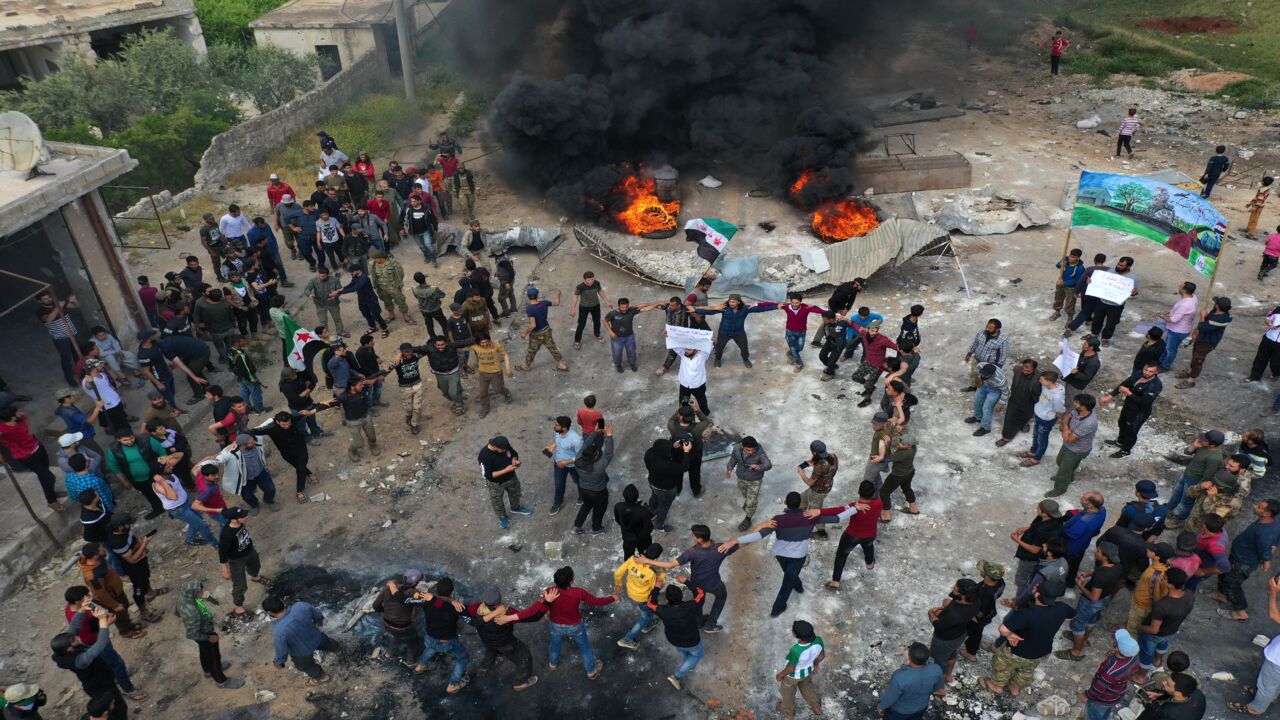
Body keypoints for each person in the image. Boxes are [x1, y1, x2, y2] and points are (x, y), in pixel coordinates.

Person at [719, 492, 853, 617]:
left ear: (785, 503)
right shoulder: (810, 517)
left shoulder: (778, 519)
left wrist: (736, 540)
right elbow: (838, 518)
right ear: (800, 504)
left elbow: (759, 535)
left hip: (781, 554)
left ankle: (797, 587)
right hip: (798, 556)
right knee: (787, 582)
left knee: (789, 575)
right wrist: (855, 508)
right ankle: (777, 608)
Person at [499, 566, 615, 679]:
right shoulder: (578, 592)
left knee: (555, 644)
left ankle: (553, 664)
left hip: (556, 626)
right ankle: (591, 671)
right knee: (585, 647)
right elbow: (596, 601)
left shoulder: (549, 592)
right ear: (571, 580)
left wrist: (509, 618)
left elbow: (532, 610)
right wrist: (613, 598)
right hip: (575, 626)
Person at [979, 585, 1075, 697]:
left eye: (1036, 588)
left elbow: (1003, 629)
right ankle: (1015, 688)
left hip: (1017, 651)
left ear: (1038, 594)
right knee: (1026, 670)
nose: (1034, 588)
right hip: (1041, 652)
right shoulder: (1062, 607)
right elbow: (1072, 616)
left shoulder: (1027, 613)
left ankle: (997, 686)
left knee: (1002, 665)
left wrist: (1010, 635)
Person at [50, 609, 128, 720]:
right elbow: (100, 644)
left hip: (97, 682)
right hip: (101, 686)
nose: (78, 637)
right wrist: (103, 622)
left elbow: (74, 627)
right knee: (118, 707)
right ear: (69, 649)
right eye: (74, 640)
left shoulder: (63, 652)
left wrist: (82, 609)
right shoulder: (80, 661)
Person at [1059, 541, 1126, 661]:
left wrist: (1080, 586)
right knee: (1091, 620)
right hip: (1104, 599)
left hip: (1091, 603)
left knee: (1077, 625)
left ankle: (1076, 652)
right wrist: (1089, 573)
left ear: (1105, 556)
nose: (1096, 551)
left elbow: (1094, 597)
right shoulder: (1118, 566)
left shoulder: (1101, 574)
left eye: (1099, 551)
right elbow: (1111, 579)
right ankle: (1083, 640)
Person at [465, 586, 539, 691]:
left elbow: (467, 616)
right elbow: (529, 617)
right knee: (524, 656)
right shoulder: (508, 612)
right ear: (498, 601)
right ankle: (521, 682)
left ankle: (486, 666)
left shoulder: (475, 608)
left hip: (486, 639)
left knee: (491, 650)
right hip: (505, 643)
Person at [176, 580, 244, 689]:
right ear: (193, 593)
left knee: (204, 651)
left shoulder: (184, 598)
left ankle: (207, 670)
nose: (202, 592)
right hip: (203, 633)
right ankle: (221, 680)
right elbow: (192, 634)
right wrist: (208, 637)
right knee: (214, 657)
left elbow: (177, 612)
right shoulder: (193, 612)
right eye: (199, 591)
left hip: (201, 632)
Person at [407, 578, 470, 694]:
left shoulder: (427, 601)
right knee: (463, 658)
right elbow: (470, 618)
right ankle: (454, 684)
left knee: (430, 649)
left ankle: (420, 666)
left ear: (437, 590)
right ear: (452, 591)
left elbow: (408, 600)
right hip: (447, 641)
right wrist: (453, 602)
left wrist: (421, 596)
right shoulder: (455, 607)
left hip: (431, 637)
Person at [1132, 568, 1194, 684]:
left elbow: (1154, 630)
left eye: (1164, 578)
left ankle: (1140, 677)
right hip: (1171, 631)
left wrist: (1139, 627)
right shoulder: (1189, 595)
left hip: (1154, 635)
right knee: (1162, 644)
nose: (1161, 579)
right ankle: (1157, 662)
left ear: (1170, 585)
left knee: (1146, 653)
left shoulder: (1162, 606)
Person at [264, 596, 340, 686]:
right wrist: (319, 621)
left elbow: (282, 651)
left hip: (302, 653)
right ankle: (340, 650)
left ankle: (323, 678)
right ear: (282, 602)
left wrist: (279, 662)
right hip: (317, 637)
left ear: (269, 612)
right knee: (330, 644)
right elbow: (318, 615)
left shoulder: (278, 631)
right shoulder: (300, 606)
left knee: (306, 666)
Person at [0, 407, 65, 510]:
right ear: (12, 417)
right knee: (49, 477)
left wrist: (30, 431)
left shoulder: (21, 417)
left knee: (44, 474)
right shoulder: (3, 430)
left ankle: (52, 493)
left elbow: (26, 417)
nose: (20, 413)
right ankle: (51, 501)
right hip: (27, 457)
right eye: (18, 412)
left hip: (38, 448)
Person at [648, 584, 706, 689]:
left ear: (666, 598)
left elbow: (650, 603)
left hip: (674, 639)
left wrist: (656, 588)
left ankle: (687, 663)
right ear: (682, 595)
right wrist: (687, 581)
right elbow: (701, 594)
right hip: (692, 640)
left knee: (683, 651)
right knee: (697, 655)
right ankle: (677, 676)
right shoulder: (691, 606)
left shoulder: (662, 610)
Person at [1099, 362, 1163, 458]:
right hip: (1128, 406)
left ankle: (1126, 450)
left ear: (1156, 372)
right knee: (1122, 423)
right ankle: (1120, 442)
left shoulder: (1155, 386)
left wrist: (1129, 393)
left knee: (1131, 431)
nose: (1146, 373)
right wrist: (1110, 396)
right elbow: (1124, 385)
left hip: (1139, 412)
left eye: (1150, 372)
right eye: (1145, 370)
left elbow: (1144, 403)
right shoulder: (1138, 374)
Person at [694, 295, 778, 368]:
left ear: (738, 302)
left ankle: (745, 359)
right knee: (719, 347)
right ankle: (718, 359)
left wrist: (776, 306)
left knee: (744, 347)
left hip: (739, 332)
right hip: (724, 332)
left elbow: (761, 309)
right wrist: (695, 310)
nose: (731, 303)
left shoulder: (745, 309)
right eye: (730, 302)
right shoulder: (724, 308)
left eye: (733, 302)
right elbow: (709, 311)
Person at [928, 579, 981, 691]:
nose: (952, 588)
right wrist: (945, 609)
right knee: (951, 655)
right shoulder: (975, 601)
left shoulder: (954, 615)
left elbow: (938, 626)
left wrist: (931, 613)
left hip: (944, 640)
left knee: (940, 662)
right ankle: (948, 676)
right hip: (959, 635)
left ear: (963, 595)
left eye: (955, 589)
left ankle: (939, 687)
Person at [1078, 629, 1141, 720]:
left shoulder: (1112, 671)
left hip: (1102, 699)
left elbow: (1099, 687)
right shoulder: (1134, 657)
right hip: (1116, 695)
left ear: (1118, 648)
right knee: (1105, 713)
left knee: (1094, 715)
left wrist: (1086, 695)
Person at [1009, 499, 1065, 600]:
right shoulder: (1055, 519)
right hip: (1038, 554)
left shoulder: (1043, 530)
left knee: (1023, 580)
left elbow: (1035, 550)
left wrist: (1017, 540)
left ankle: (1019, 599)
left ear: (1045, 513)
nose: (1036, 508)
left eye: (1039, 508)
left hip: (1030, 559)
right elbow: (1036, 527)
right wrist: (1027, 529)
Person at [613, 544, 666, 649]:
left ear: (645, 550)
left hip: (631, 592)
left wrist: (618, 583)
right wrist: (662, 574)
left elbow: (618, 573)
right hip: (643, 598)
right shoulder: (651, 573)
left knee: (646, 613)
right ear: (656, 558)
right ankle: (628, 638)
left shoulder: (633, 559)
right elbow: (654, 588)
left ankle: (648, 624)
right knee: (645, 616)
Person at [1046, 394, 1098, 498]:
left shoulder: (1089, 423)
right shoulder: (1079, 410)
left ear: (1083, 406)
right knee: (1060, 461)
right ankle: (1069, 476)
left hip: (1077, 450)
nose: (1074, 404)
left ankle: (1059, 490)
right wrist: (1066, 427)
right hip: (1069, 445)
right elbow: (1067, 417)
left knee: (1063, 471)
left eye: (1077, 402)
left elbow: (1069, 439)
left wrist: (1064, 428)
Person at [217, 507, 264, 620]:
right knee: (240, 584)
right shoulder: (227, 535)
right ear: (234, 520)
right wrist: (225, 569)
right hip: (236, 560)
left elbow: (223, 511)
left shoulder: (236, 520)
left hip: (249, 550)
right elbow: (222, 552)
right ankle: (238, 607)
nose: (246, 517)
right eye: (243, 516)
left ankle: (255, 577)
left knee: (256, 565)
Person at [1167, 430, 1224, 523]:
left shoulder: (1215, 458)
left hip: (1193, 481)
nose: (1201, 439)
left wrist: (1197, 488)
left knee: (1187, 501)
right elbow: (1187, 452)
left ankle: (1179, 519)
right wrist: (1194, 446)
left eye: (1205, 440)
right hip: (1186, 474)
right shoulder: (1203, 446)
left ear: (1212, 444)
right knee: (1176, 492)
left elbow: (1208, 476)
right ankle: (1169, 508)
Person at [214, 433, 279, 512]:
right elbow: (219, 458)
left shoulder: (256, 441)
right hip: (245, 479)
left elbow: (259, 429)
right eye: (251, 443)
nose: (254, 442)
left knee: (271, 489)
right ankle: (255, 505)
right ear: (243, 446)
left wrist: (235, 441)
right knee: (247, 496)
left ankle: (268, 500)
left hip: (260, 472)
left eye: (252, 440)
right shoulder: (231, 453)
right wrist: (209, 461)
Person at [879, 642, 944, 720]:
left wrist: (881, 707)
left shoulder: (900, 677)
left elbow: (890, 697)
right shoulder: (936, 669)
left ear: (909, 657)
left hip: (899, 711)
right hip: (921, 707)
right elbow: (937, 689)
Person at [479, 436, 532, 530]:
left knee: (515, 492)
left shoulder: (504, 446)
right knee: (497, 500)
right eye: (503, 450)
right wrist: (506, 470)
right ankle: (502, 517)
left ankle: (515, 508)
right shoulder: (484, 455)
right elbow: (488, 475)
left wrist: (514, 460)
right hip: (496, 483)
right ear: (494, 447)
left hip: (511, 477)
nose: (505, 451)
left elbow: (514, 453)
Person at [776, 620, 825, 719]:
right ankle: (817, 708)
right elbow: (821, 656)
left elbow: (791, 668)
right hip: (806, 672)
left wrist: (781, 674)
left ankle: (789, 712)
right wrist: (815, 665)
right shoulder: (818, 640)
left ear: (796, 635)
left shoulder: (796, 650)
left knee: (788, 694)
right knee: (807, 688)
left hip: (792, 677)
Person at [373, 571, 424, 662]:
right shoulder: (413, 594)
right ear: (415, 583)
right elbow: (426, 602)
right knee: (413, 644)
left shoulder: (386, 589)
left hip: (387, 624)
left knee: (396, 636)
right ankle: (410, 663)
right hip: (403, 627)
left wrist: (385, 611)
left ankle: (388, 654)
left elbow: (375, 606)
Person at [1018, 370, 1066, 467]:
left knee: (1042, 440)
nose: (1040, 381)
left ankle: (1036, 458)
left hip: (1046, 420)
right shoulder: (1045, 386)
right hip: (1039, 414)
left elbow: (1060, 409)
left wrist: (1057, 418)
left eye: (1042, 380)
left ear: (1049, 381)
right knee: (1036, 436)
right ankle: (1033, 452)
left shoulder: (1057, 396)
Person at [961, 560, 1006, 662]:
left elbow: (979, 611)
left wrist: (972, 617)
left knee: (968, 631)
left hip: (979, 617)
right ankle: (971, 651)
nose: (980, 571)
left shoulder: (983, 592)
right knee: (977, 632)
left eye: (983, 571)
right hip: (990, 612)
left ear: (987, 576)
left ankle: (967, 652)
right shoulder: (1000, 582)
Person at [573, 425, 614, 534]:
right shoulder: (598, 467)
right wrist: (608, 436)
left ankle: (577, 526)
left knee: (586, 506)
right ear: (595, 456)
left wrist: (594, 432)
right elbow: (608, 454)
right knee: (599, 510)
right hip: (598, 492)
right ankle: (596, 528)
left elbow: (585, 444)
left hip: (584, 489)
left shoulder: (578, 459)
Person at [645, 436, 690, 533]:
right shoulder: (667, 465)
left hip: (652, 482)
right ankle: (659, 525)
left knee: (654, 497)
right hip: (666, 489)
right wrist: (686, 452)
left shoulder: (649, 453)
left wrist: (673, 447)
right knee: (664, 507)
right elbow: (684, 467)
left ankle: (651, 512)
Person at [727, 436, 772, 532]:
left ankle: (748, 519)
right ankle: (748, 502)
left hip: (754, 480)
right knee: (745, 494)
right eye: (748, 450)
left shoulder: (760, 453)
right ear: (742, 446)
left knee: (751, 501)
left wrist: (759, 466)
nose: (750, 452)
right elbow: (733, 459)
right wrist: (729, 468)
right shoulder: (736, 448)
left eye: (752, 450)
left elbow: (768, 464)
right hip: (741, 477)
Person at [519, 288, 568, 371]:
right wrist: (558, 294)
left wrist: (525, 333)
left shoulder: (530, 309)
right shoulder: (544, 303)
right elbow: (557, 303)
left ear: (528, 296)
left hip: (537, 333)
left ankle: (526, 366)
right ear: (537, 295)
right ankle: (561, 364)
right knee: (552, 347)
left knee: (532, 350)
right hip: (546, 330)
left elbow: (533, 325)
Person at [668, 402, 710, 498]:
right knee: (695, 474)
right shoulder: (698, 428)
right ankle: (696, 491)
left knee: (677, 474)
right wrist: (697, 409)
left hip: (677, 455)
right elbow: (706, 421)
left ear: (681, 417)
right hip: (694, 455)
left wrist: (681, 408)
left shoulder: (672, 426)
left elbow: (672, 419)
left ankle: (677, 490)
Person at [332, 265, 387, 337]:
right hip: (362, 300)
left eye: (352, 272)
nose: (351, 273)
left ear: (358, 270)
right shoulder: (355, 277)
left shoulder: (364, 278)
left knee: (376, 315)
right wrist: (341, 289)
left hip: (371, 300)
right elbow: (351, 285)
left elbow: (355, 288)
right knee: (366, 314)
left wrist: (339, 293)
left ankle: (384, 329)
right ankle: (373, 327)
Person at [799, 439, 841, 532]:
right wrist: (812, 461)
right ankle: (796, 513)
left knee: (814, 512)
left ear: (813, 452)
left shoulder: (820, 466)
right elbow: (825, 463)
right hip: (827, 485)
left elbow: (810, 482)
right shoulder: (833, 456)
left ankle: (821, 532)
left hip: (818, 491)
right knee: (802, 498)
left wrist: (801, 472)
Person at [468, 334, 513, 419]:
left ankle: (507, 394)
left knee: (498, 389)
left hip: (496, 372)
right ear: (478, 343)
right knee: (482, 392)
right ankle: (485, 409)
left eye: (486, 342)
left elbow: (505, 354)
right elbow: (461, 346)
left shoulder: (495, 345)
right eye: (482, 343)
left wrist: (507, 368)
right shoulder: (475, 346)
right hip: (483, 373)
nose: (484, 344)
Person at [997, 359, 1042, 447]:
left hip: (1029, 400)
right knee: (1009, 417)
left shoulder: (1039, 376)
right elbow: (1017, 369)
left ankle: (1023, 424)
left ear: (1034, 369)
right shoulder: (1017, 369)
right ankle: (1006, 437)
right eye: (1024, 369)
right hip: (1015, 398)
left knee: (1025, 415)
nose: (1025, 372)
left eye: (1028, 371)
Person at [1063, 492, 1107, 578]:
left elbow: (1070, 534)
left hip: (1071, 548)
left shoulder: (1084, 521)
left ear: (1090, 505)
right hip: (1083, 544)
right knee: (1075, 565)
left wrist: (1061, 527)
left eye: (1084, 498)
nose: (1081, 497)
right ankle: (1071, 582)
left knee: (1066, 567)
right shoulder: (1102, 510)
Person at [779, 292, 827, 371]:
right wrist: (756, 305)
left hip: (801, 332)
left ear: (800, 302)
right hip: (789, 332)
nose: (794, 304)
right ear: (790, 301)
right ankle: (799, 363)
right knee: (794, 349)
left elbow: (819, 311)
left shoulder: (806, 308)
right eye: (792, 302)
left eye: (797, 303)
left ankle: (790, 353)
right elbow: (771, 304)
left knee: (800, 348)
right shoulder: (786, 306)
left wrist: (835, 315)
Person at [545, 416, 583, 515]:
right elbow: (557, 441)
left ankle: (583, 496)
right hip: (558, 463)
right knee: (558, 484)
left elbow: (581, 456)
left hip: (573, 466)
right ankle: (558, 502)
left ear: (564, 428)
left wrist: (566, 462)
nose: (554, 426)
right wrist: (551, 447)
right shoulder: (558, 431)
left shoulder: (576, 439)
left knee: (579, 481)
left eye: (556, 425)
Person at [879, 435, 917, 523]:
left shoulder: (903, 454)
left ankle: (886, 515)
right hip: (909, 472)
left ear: (909, 446)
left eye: (903, 444)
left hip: (898, 475)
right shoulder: (914, 448)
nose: (900, 444)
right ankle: (913, 508)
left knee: (884, 492)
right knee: (907, 488)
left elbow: (886, 459)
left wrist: (885, 445)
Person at [570, 271, 613, 348]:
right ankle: (577, 341)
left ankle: (597, 335)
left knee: (597, 322)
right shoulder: (580, 287)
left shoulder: (596, 283)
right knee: (581, 324)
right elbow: (575, 297)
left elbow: (600, 291)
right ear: (584, 280)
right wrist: (573, 309)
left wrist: (607, 302)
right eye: (588, 280)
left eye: (592, 279)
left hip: (596, 306)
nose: (591, 282)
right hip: (584, 307)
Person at [963, 319, 1008, 392]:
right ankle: (974, 387)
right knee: (974, 374)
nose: (987, 329)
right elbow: (975, 344)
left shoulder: (1003, 340)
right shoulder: (981, 333)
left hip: (989, 364)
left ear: (997, 329)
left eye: (990, 328)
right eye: (987, 326)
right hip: (977, 359)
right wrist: (969, 353)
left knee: (986, 378)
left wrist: (998, 367)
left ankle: (982, 390)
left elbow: (1003, 354)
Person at [615, 484, 655, 561]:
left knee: (628, 556)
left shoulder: (618, 506)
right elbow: (649, 529)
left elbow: (618, 520)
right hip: (642, 538)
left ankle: (629, 568)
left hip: (627, 537)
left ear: (624, 496)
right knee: (645, 555)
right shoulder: (643, 511)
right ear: (637, 497)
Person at [966, 363, 1006, 437]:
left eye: (986, 375)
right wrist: (977, 381)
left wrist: (1000, 404)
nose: (983, 376)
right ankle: (978, 417)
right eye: (982, 374)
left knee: (987, 408)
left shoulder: (1000, 380)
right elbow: (975, 373)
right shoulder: (980, 365)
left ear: (992, 374)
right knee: (977, 402)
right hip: (983, 385)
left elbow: (1006, 392)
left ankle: (985, 428)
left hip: (995, 390)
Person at [1051, 248, 1086, 321]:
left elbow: (1077, 281)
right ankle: (1057, 312)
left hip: (1071, 288)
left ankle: (1070, 318)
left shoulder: (1080, 268)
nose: (1070, 258)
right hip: (1061, 284)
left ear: (1078, 258)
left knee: (1070, 303)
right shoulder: (1065, 259)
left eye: (1073, 257)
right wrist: (1060, 264)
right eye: (1070, 256)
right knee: (1058, 299)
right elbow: (1057, 266)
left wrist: (1064, 283)